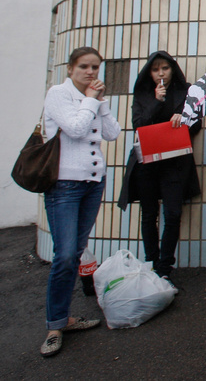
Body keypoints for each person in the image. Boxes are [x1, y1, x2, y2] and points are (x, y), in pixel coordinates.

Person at [40, 47, 121, 357]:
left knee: (75, 251)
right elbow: (74, 128)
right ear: (71, 68)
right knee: (64, 255)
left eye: (95, 67)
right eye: (84, 67)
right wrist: (90, 100)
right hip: (64, 184)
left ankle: (65, 318)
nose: (91, 73)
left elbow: (112, 133)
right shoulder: (57, 94)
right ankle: (55, 323)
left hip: (92, 182)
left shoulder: (91, 99)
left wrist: (101, 103)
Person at [117, 51, 202, 287]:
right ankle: (151, 263)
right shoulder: (144, 93)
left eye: (165, 68)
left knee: (173, 213)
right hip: (147, 163)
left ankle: (165, 266)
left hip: (174, 163)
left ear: (172, 69)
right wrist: (156, 102)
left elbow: (197, 122)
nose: (161, 73)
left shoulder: (185, 91)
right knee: (149, 214)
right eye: (155, 69)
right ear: (149, 72)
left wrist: (182, 120)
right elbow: (138, 125)